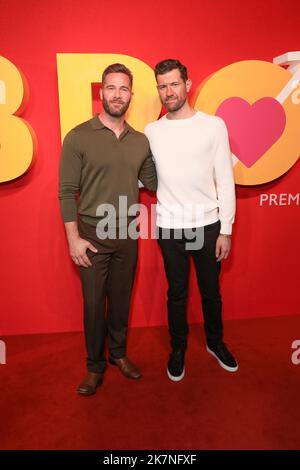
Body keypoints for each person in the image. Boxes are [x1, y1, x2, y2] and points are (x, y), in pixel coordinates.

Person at [59, 63, 157, 395]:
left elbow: (155, 183)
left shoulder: (140, 141)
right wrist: (74, 239)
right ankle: (94, 366)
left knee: (120, 300)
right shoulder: (78, 136)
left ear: (131, 94)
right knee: (92, 303)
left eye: (124, 89)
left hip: (128, 233)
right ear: (101, 92)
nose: (117, 95)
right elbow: (66, 191)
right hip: (91, 233)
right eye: (111, 88)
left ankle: (118, 355)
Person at [145, 59, 238, 382]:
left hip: (207, 226)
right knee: (177, 293)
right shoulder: (151, 131)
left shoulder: (214, 126)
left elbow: (225, 179)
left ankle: (215, 343)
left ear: (188, 84)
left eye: (174, 83)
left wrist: (226, 229)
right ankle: (178, 348)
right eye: (162, 86)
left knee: (211, 292)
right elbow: (146, 177)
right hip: (169, 227)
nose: (168, 91)